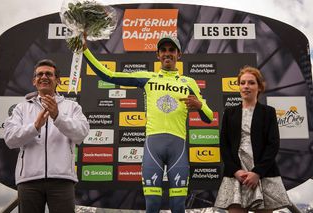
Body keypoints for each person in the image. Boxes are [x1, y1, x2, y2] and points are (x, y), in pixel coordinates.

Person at [82, 35, 213, 213]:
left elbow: (209, 116)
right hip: (153, 148)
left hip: (178, 150)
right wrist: (85, 51)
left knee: (178, 206)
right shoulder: (147, 77)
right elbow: (109, 75)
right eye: (163, 50)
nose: (167, 54)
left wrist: (199, 105)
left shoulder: (188, 82)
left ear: (179, 54)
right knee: (151, 205)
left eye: (171, 50)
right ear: (157, 55)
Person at [4, 59, 90, 213]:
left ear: (57, 80)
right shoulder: (21, 108)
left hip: (62, 180)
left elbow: (81, 134)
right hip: (29, 181)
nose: (44, 77)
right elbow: (10, 139)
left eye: (49, 74)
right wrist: (35, 127)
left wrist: (58, 117)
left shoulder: (72, 106)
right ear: (34, 81)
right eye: (40, 74)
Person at [215, 66, 290, 212]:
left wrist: (257, 172)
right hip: (235, 176)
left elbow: (273, 144)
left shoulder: (268, 112)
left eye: (251, 83)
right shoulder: (230, 113)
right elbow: (224, 146)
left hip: (263, 175)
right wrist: (235, 171)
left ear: (259, 87)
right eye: (242, 83)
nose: (246, 87)